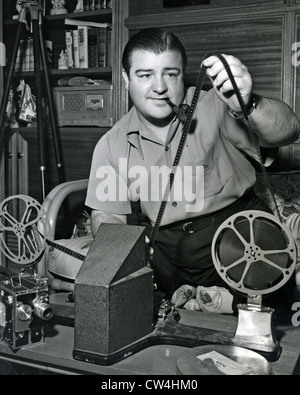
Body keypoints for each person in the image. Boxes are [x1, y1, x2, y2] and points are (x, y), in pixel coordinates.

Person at [85, 28, 300, 304]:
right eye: (145, 75)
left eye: (170, 74)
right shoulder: (111, 143)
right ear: (126, 79)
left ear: (183, 75)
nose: (160, 86)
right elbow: (107, 214)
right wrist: (122, 248)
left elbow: (289, 130)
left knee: (258, 326)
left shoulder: (216, 104)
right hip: (165, 252)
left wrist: (248, 104)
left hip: (240, 238)